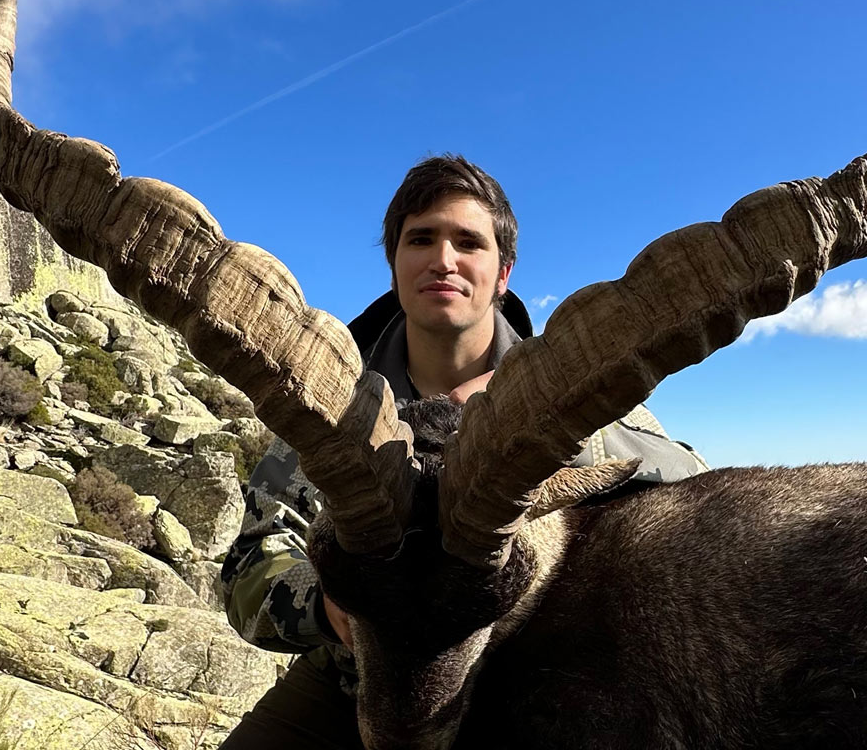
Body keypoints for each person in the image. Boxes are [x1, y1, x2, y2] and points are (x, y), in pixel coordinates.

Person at [217, 155, 709, 749]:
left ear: (503, 272)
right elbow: (253, 564)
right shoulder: (328, 404)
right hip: (355, 677)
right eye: (420, 238)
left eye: (468, 242)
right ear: (395, 263)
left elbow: (694, 498)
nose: (443, 260)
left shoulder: (575, 399)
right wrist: (326, 611)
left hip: (530, 673)